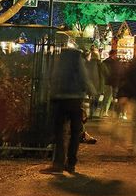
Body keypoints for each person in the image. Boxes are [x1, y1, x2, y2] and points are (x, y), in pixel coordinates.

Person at [42, 36, 98, 175]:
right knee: (75, 133)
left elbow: (49, 77)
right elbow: (84, 78)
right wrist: (92, 92)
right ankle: (71, 163)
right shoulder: (78, 61)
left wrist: (49, 92)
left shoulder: (58, 60)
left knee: (59, 132)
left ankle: (58, 163)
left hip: (59, 99)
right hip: (75, 100)